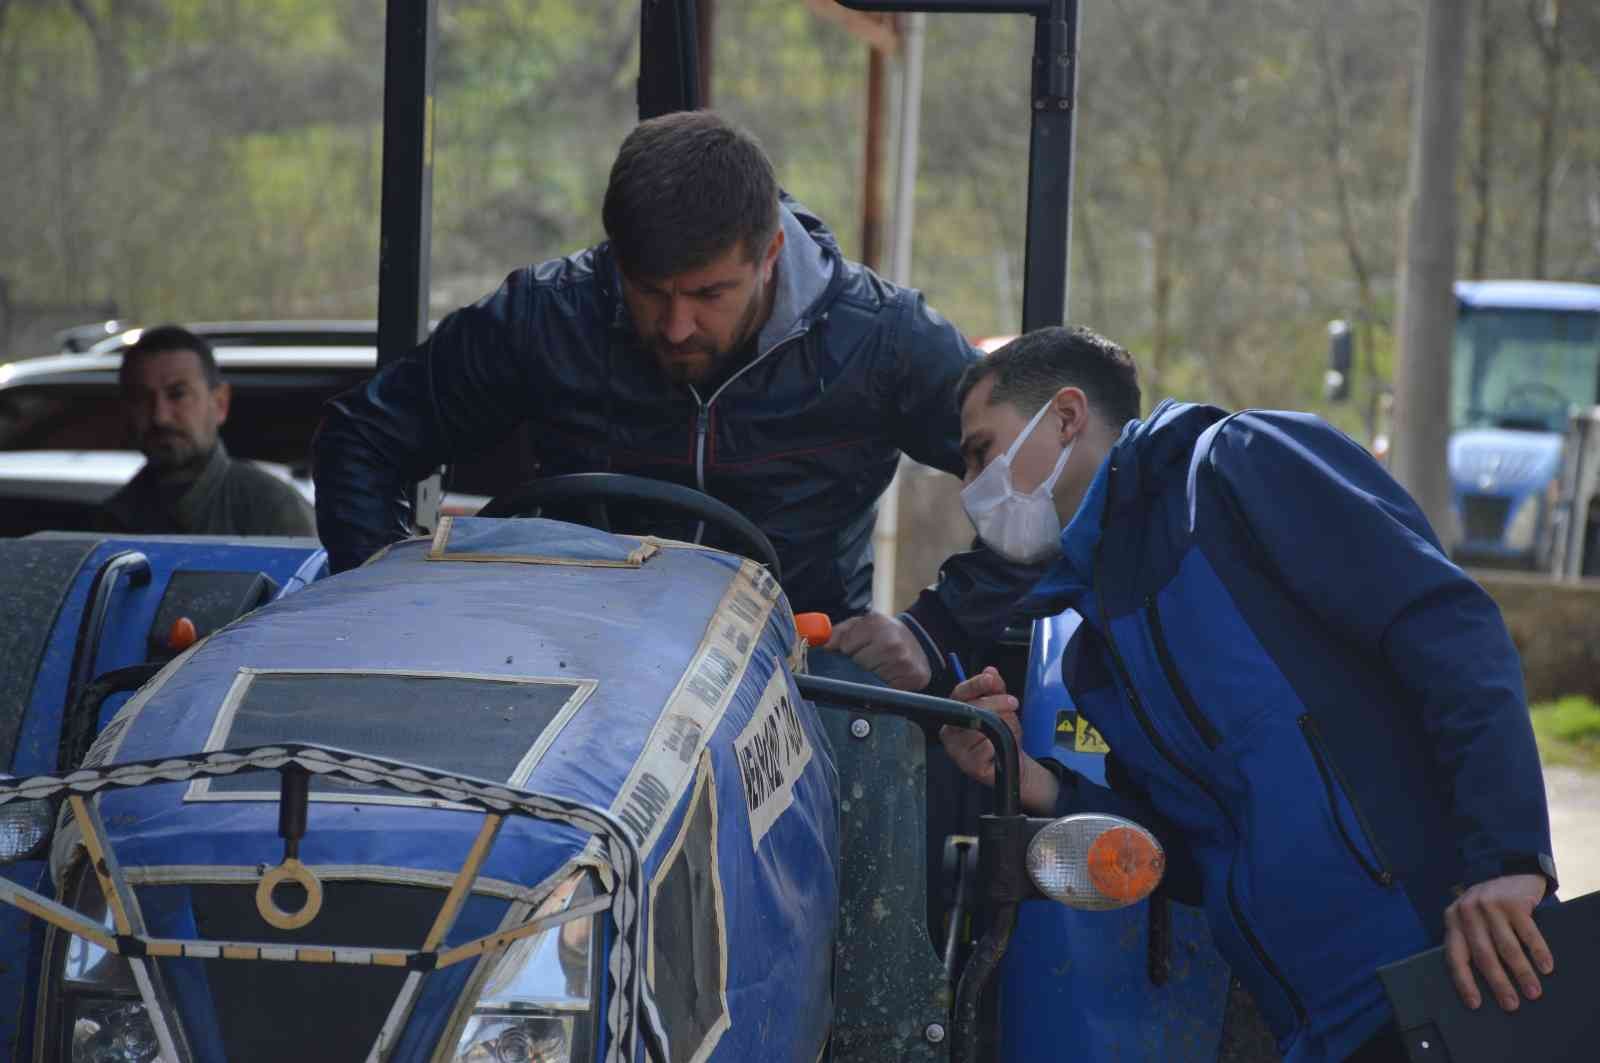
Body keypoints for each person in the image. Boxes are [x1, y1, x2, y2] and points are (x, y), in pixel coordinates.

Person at [938, 326, 1557, 1063]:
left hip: (1452, 969)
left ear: (1066, 416)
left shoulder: (1239, 469)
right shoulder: (1095, 653)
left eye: (982, 449)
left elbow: (1450, 630)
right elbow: (1193, 854)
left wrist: (1510, 858)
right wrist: (1027, 776)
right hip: (1320, 1028)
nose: (973, 483)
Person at [313, 109, 1040, 691]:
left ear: (770, 256)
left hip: (793, 681)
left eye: (708, 294)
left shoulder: (883, 342)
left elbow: (1041, 494)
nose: (676, 324)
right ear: (614, 259)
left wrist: (931, 631)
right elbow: (361, 438)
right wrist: (390, 607)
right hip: (566, 669)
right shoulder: (547, 317)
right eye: (649, 291)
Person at [98, 325, 316, 537]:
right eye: (141, 398)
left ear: (220, 403)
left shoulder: (272, 510)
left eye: (177, 394)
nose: (159, 416)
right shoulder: (111, 521)